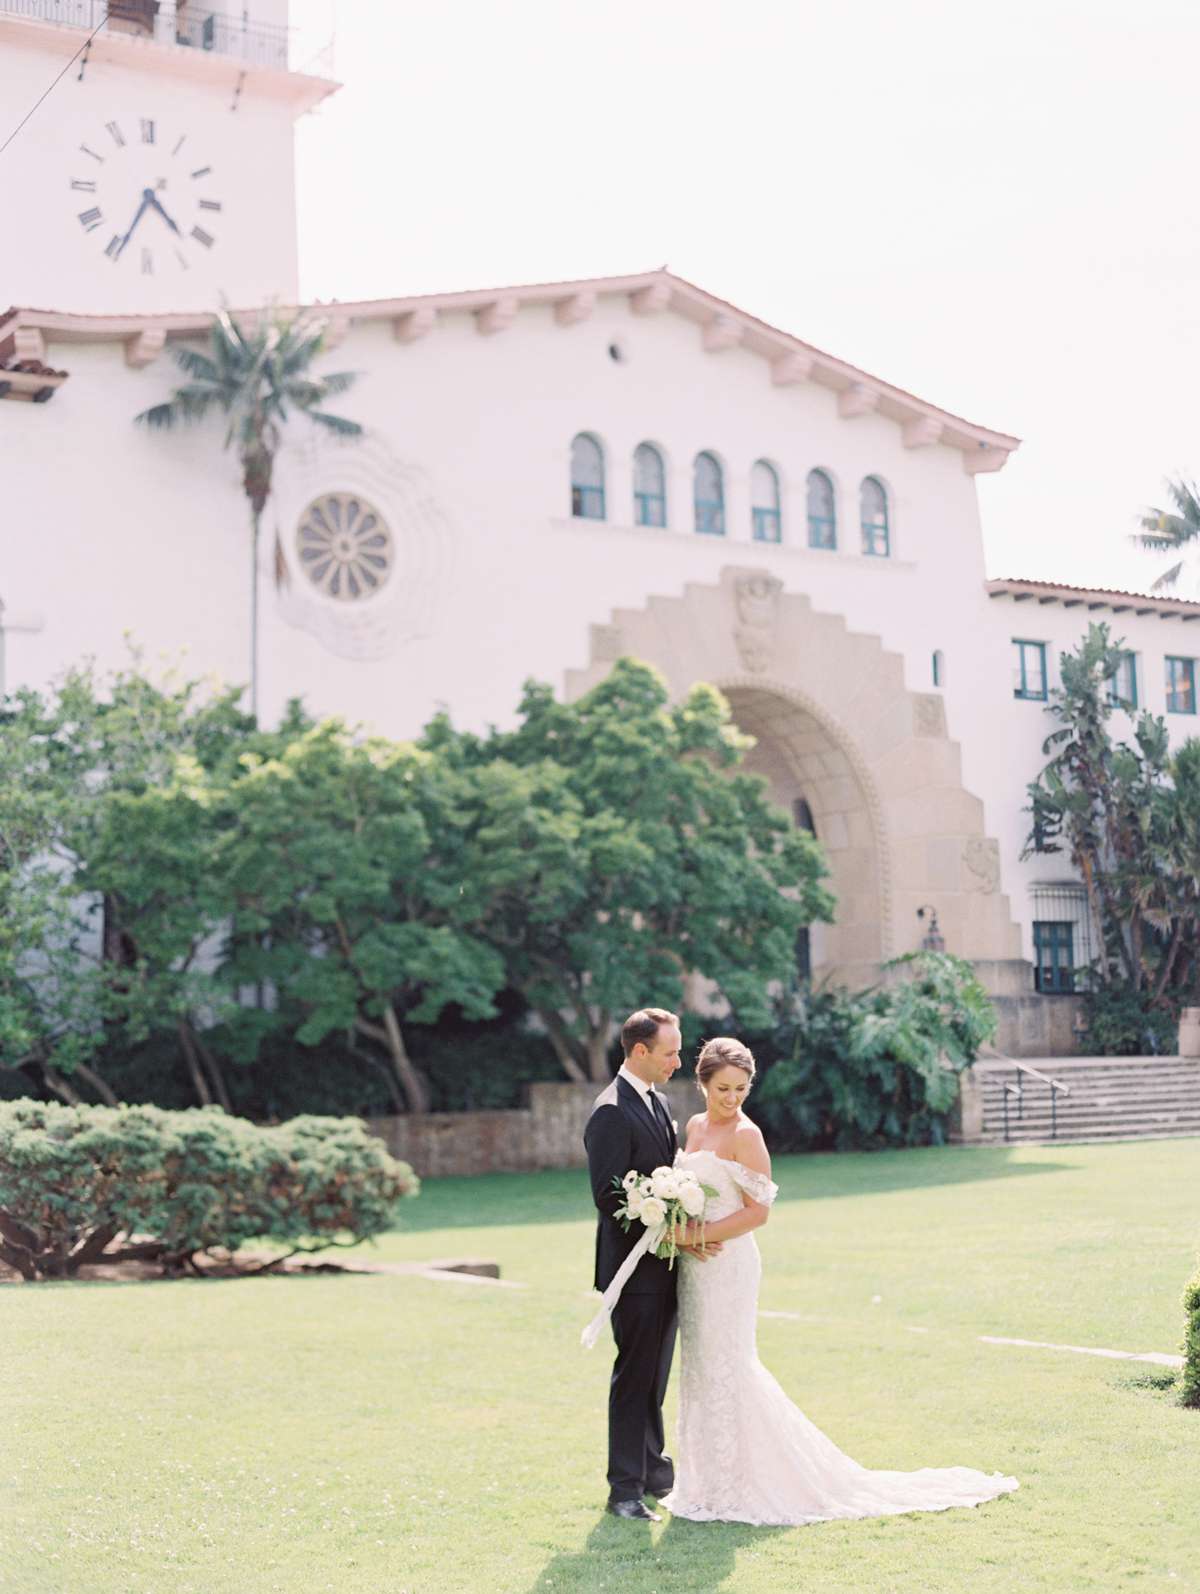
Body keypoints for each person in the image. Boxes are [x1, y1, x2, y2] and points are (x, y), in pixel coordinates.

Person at [660, 1036, 1019, 1525]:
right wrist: (683, 1236)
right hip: (695, 1269)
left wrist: (697, 1235)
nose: (733, 1098)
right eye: (724, 1088)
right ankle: (706, 1482)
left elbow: (758, 1213)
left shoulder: (748, 1135)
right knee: (701, 1366)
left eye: (742, 1089)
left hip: (729, 1265)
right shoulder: (696, 1127)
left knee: (731, 1364)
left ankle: (749, 1483)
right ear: (702, 1083)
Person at [583, 1007, 720, 1521]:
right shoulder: (610, 1111)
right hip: (632, 1270)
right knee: (634, 1376)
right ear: (639, 1052)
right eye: (670, 1052)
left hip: (666, 1264)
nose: (678, 1061)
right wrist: (656, 1210)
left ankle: (656, 1475)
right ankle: (623, 1490)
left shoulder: (658, 1102)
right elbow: (607, 1194)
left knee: (655, 1376)